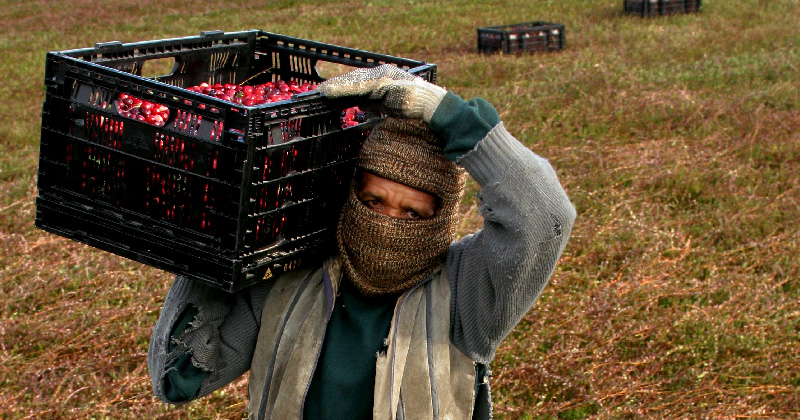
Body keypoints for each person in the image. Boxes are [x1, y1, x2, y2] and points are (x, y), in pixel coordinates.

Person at [148, 64, 576, 419]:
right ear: (352, 195)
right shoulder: (293, 276)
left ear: (440, 216)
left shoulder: (465, 296)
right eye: (374, 200)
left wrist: (446, 113)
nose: (388, 222)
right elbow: (178, 380)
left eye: (412, 213)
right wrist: (210, 240)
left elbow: (545, 216)